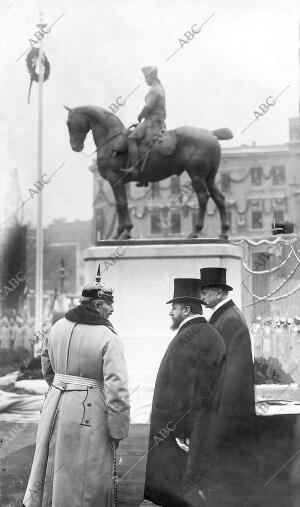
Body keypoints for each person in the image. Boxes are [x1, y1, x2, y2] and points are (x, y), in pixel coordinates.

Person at [22, 267, 130, 507]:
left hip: (56, 404)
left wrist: (62, 388)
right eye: (109, 304)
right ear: (97, 305)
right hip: (88, 410)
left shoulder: (56, 327)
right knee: (86, 476)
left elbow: (46, 368)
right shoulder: (108, 336)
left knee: (51, 465)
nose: (112, 309)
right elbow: (117, 388)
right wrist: (118, 429)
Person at [142, 278, 226, 507]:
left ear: (187, 309)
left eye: (174, 307)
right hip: (203, 424)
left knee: (173, 492)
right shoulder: (211, 334)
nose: (171, 313)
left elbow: (182, 388)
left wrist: (181, 430)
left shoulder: (186, 339)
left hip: (179, 431)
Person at [199, 267, 257, 507]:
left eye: (205, 292)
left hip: (229, 405)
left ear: (220, 292)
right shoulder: (227, 315)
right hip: (228, 402)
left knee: (227, 460)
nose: (201, 296)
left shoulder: (228, 319)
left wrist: (220, 410)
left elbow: (231, 370)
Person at [123, 65, 166, 185]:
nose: (145, 80)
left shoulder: (154, 89)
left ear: (151, 77)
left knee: (131, 139)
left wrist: (140, 116)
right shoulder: (160, 88)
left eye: (146, 77)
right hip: (158, 121)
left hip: (151, 121)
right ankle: (144, 177)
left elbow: (148, 107)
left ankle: (135, 168)